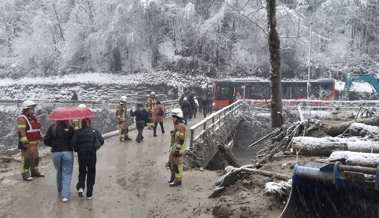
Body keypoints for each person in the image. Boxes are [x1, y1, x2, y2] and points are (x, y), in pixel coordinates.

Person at [71, 118, 104, 200]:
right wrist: (95, 148)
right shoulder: (95, 131)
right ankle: (89, 193)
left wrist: (77, 149)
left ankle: (81, 187)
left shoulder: (78, 132)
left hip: (82, 155)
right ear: (89, 123)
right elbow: (102, 141)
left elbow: (73, 143)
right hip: (92, 155)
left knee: (82, 171)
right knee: (91, 173)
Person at [44, 120, 75, 203]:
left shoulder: (52, 128)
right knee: (67, 173)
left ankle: (59, 189)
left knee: (59, 170)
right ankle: (65, 196)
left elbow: (46, 141)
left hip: (55, 153)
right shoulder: (71, 128)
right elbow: (74, 141)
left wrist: (54, 144)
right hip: (67, 152)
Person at [17, 100, 45, 181]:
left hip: (35, 143)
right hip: (28, 144)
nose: (33, 109)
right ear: (26, 109)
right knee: (26, 159)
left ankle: (35, 172)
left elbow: (37, 129)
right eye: (31, 108)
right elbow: (21, 131)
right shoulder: (22, 118)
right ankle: (25, 174)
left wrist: (41, 136)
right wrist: (25, 142)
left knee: (35, 158)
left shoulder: (34, 118)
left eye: (33, 108)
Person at [168, 108, 187, 187]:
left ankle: (178, 181)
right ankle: (173, 177)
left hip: (177, 150)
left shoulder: (180, 126)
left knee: (177, 165)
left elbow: (181, 140)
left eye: (174, 117)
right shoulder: (177, 125)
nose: (173, 118)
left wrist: (177, 151)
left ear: (178, 118)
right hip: (174, 149)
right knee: (171, 164)